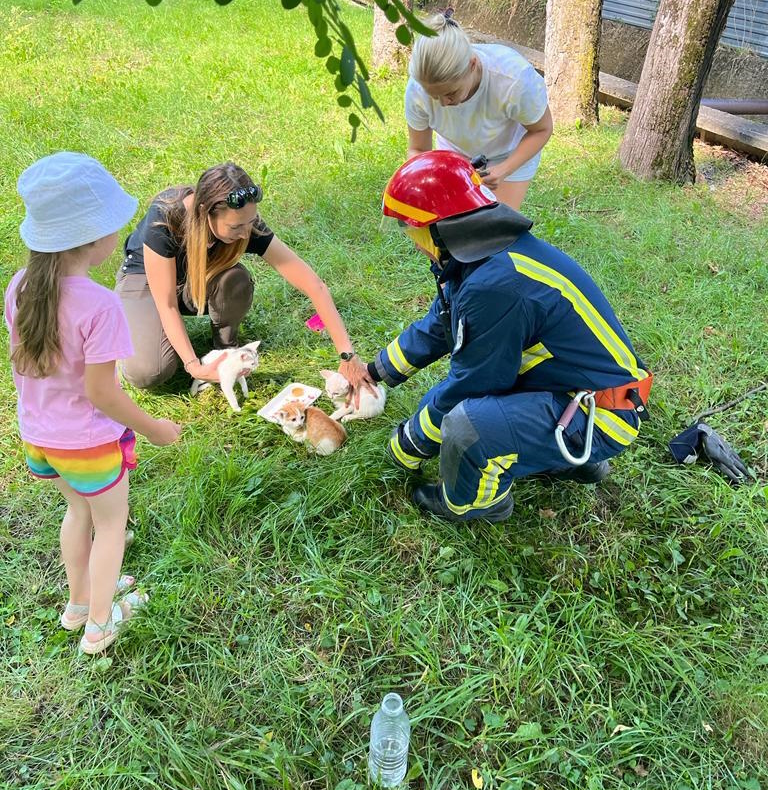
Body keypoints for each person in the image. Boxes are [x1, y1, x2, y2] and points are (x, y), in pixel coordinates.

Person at [368, 150, 652, 522]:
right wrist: (376, 372)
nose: (414, 241)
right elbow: (441, 325)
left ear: (443, 227)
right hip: (586, 393)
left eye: (414, 230)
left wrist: (408, 444)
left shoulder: (494, 284)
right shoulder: (484, 258)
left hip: (600, 414)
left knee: (468, 424)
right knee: (480, 406)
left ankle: (477, 504)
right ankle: (570, 460)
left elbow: (473, 384)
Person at [5, 152, 182, 654]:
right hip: (86, 444)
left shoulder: (19, 287)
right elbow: (100, 392)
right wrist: (152, 427)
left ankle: (79, 601)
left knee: (77, 513)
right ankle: (101, 624)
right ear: (93, 239)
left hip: (41, 439)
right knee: (110, 526)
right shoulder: (100, 305)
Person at [116, 161, 372, 395]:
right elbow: (167, 303)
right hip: (146, 283)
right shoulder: (166, 217)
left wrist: (347, 355)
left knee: (234, 279)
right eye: (235, 227)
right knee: (149, 372)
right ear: (206, 212)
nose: (245, 233)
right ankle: (126, 338)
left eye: (249, 223)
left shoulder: (245, 224)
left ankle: (225, 349)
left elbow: (313, 285)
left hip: (194, 283)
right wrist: (194, 367)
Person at [405, 12, 553, 211]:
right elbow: (419, 150)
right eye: (433, 95)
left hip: (509, 153)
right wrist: (426, 189)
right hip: (453, 153)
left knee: (493, 230)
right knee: (441, 229)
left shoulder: (514, 79)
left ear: (472, 65)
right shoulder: (417, 90)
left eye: (450, 93)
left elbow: (542, 130)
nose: (442, 103)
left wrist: (503, 170)